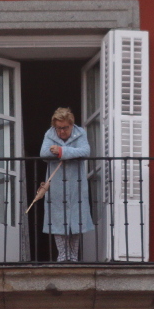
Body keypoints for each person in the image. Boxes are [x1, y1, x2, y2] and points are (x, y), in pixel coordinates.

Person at [40, 107, 94, 262]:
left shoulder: (80, 133)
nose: (61, 131)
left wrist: (61, 151)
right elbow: (43, 153)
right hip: (57, 185)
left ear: (71, 125)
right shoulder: (50, 134)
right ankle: (63, 255)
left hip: (76, 185)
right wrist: (68, 152)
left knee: (77, 219)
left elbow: (85, 151)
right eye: (58, 128)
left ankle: (73, 256)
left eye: (65, 128)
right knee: (58, 219)